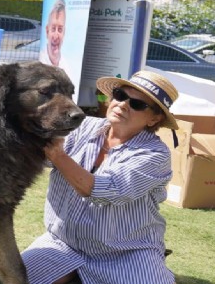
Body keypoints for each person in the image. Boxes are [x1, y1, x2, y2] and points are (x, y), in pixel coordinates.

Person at [22, 70, 179, 284]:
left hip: (126, 252)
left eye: (138, 104)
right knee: (16, 278)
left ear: (154, 119)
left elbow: (107, 189)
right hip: (62, 243)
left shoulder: (155, 154)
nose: (123, 105)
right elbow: (37, 153)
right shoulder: (82, 125)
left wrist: (58, 155)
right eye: (120, 96)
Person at [40, 0, 68, 70]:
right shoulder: (40, 62)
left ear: (64, 33)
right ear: (47, 31)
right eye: (53, 29)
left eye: (60, 29)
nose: (55, 36)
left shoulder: (67, 67)